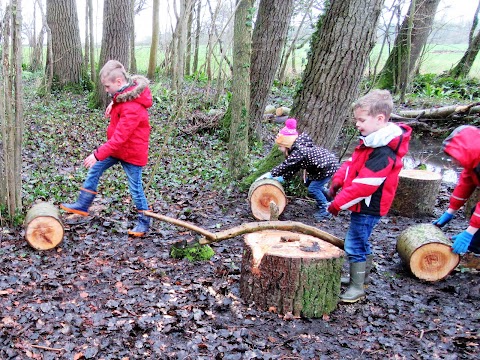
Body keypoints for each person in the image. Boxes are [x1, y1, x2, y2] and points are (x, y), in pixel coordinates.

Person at [327, 89, 412, 303]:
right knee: (362, 241)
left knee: (354, 243)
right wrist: (338, 180)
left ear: (380, 118)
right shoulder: (370, 141)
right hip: (362, 205)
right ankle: (362, 278)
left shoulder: (383, 151)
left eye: (361, 120)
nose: (357, 124)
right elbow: (351, 165)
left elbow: (366, 185)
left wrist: (337, 204)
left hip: (369, 206)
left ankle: (357, 288)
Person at [60, 60, 153, 237]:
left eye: (106, 86)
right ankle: (83, 203)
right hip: (118, 150)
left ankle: (144, 221)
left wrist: (97, 154)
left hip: (131, 153)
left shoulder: (133, 107)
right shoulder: (125, 94)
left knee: (135, 188)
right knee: (95, 169)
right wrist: (114, 102)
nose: (105, 90)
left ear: (118, 82)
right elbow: (123, 97)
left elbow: (120, 137)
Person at [258, 118, 339, 221]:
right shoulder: (297, 149)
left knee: (313, 189)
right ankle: (328, 197)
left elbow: (286, 166)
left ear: (286, 143)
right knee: (310, 184)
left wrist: (271, 174)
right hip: (320, 169)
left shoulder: (299, 152)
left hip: (326, 168)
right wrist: (282, 178)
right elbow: (293, 167)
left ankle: (326, 208)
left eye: (280, 146)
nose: (278, 148)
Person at [433, 125, 480, 255]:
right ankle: (475, 249)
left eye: (454, 157)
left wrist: (468, 233)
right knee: (475, 212)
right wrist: (451, 210)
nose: (453, 161)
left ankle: (476, 252)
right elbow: (465, 184)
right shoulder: (474, 161)